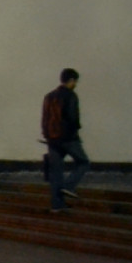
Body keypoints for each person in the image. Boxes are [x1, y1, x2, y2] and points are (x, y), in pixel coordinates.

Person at [41, 68, 89, 213]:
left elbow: (44, 118)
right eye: (76, 81)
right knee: (83, 162)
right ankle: (69, 186)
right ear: (71, 80)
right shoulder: (71, 96)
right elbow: (73, 118)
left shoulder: (49, 96)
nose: (76, 84)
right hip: (68, 138)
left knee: (56, 172)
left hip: (52, 139)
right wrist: (76, 131)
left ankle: (57, 205)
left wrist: (47, 135)